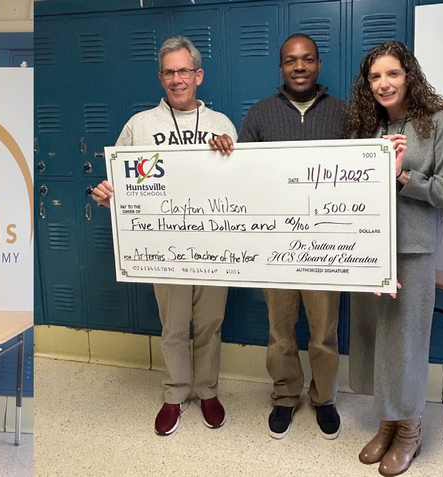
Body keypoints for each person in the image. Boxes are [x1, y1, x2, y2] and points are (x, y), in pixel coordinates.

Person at [90, 36, 237, 436]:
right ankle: (175, 393)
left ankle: (207, 390)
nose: (177, 79)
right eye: (169, 72)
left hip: (213, 245)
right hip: (164, 247)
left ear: (198, 75)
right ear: (161, 77)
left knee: (210, 322)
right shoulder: (140, 126)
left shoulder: (221, 124)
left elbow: (242, 186)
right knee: (173, 326)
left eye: (183, 70)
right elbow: (119, 184)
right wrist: (104, 195)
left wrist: (231, 155)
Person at [209, 33, 346, 440]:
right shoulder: (261, 114)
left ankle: (324, 398)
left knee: (323, 332)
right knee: (280, 330)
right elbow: (240, 174)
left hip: (325, 244)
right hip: (275, 247)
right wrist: (223, 152)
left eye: (307, 60)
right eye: (290, 60)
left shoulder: (343, 114)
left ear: (319, 65)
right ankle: (285, 396)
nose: (299, 67)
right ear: (281, 68)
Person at [346, 41, 443, 476]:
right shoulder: (365, 128)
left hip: (412, 251)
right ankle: (386, 422)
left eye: (392, 74)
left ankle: (409, 430)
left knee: (407, 342)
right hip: (365, 249)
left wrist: (402, 175)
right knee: (373, 337)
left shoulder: (438, 124)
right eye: (375, 77)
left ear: (409, 76)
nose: (383, 84)